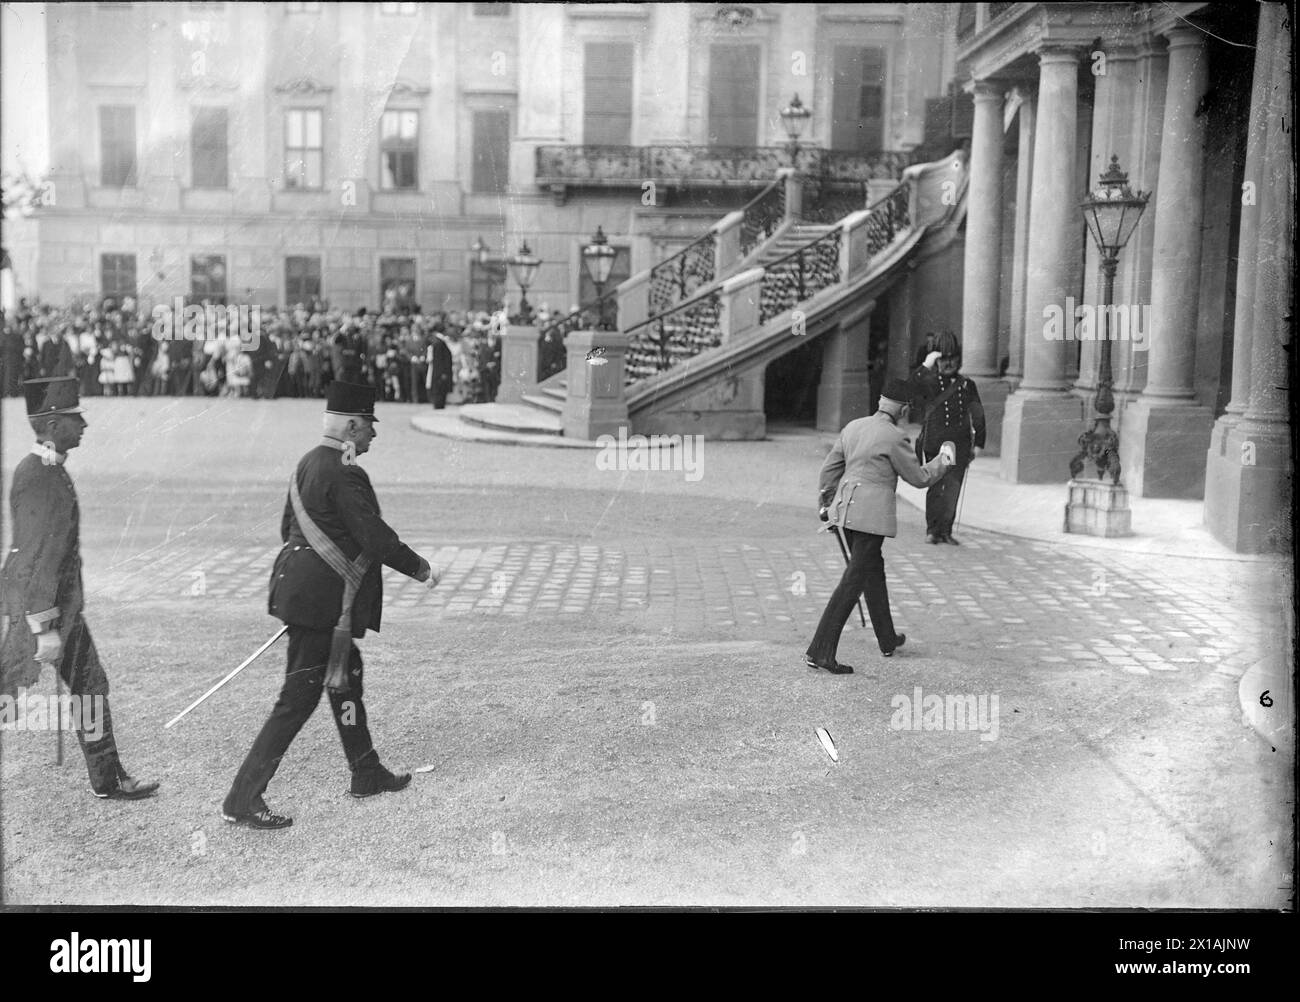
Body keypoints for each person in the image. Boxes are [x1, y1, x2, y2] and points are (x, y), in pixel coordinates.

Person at [220, 381, 439, 830]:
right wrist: (420, 569)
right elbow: (372, 535)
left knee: (345, 678)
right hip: (321, 605)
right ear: (353, 425)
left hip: (303, 594)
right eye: (370, 426)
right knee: (296, 700)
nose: (374, 435)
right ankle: (241, 798)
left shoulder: (308, 462)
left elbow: (289, 528)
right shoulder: (345, 469)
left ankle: (366, 770)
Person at [0, 377, 159, 800]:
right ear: (52, 424)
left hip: (61, 610)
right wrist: (43, 626)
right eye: (75, 418)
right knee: (8, 694)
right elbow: (34, 557)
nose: (83, 425)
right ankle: (110, 779)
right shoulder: (37, 475)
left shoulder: (49, 469)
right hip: (44, 612)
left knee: (89, 685)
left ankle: (109, 779)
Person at [804, 377, 954, 673]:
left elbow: (830, 469)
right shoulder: (895, 437)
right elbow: (920, 478)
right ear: (901, 408)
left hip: (845, 512)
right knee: (853, 582)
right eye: (907, 408)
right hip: (871, 519)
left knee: (873, 571)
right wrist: (943, 460)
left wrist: (827, 504)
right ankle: (820, 650)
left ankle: (887, 638)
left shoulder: (853, 427)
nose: (907, 412)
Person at [910, 331, 986, 545]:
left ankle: (946, 530)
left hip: (959, 445)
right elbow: (911, 387)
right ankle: (932, 530)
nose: (949, 363)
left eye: (953, 358)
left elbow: (978, 415)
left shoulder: (966, 385)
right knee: (936, 487)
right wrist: (926, 365)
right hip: (936, 443)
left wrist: (979, 443)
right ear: (937, 360)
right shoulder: (929, 382)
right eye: (944, 359)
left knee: (953, 489)